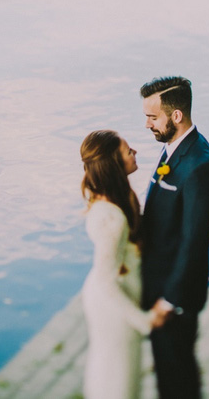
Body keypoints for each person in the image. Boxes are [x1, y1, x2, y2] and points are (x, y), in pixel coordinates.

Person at [139, 76, 209, 399]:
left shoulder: (200, 167)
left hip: (176, 299)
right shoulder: (172, 148)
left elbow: (194, 242)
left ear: (176, 116)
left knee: (179, 379)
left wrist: (169, 300)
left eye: (152, 117)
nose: (147, 124)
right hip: (158, 285)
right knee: (166, 374)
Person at [79, 130, 165, 399]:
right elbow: (106, 281)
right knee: (119, 377)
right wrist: (144, 321)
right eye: (128, 151)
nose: (135, 152)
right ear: (116, 165)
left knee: (110, 368)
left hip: (115, 292)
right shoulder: (112, 219)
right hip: (113, 303)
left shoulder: (107, 198)